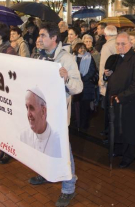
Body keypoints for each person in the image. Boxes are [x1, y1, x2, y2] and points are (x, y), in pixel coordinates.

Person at [28, 22, 83, 207]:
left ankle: (68, 188)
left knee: (63, 150)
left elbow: (78, 87)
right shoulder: (39, 55)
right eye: (39, 35)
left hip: (57, 113)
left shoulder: (66, 58)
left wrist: (66, 77)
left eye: (43, 35)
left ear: (53, 38)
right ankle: (46, 173)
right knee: (42, 143)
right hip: (42, 111)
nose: (40, 38)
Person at [104, 33, 135, 168]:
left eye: (123, 44)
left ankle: (129, 156)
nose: (120, 46)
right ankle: (120, 150)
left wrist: (122, 96)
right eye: (117, 44)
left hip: (128, 102)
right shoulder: (116, 59)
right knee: (118, 127)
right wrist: (107, 75)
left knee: (129, 129)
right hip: (115, 101)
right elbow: (112, 77)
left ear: (130, 44)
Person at [0, 23, 16, 164]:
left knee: (6, 124)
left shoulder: (9, 50)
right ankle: (2, 148)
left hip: (5, 92)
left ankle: (8, 151)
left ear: (1, 34)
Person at [19, 88, 61, 158]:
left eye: (32, 108)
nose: (28, 114)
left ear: (43, 111)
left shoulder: (58, 140)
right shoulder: (23, 136)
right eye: (27, 108)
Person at [72, 43, 97, 131]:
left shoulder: (89, 57)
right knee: (77, 106)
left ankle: (84, 124)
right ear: (76, 49)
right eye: (80, 48)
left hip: (87, 86)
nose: (82, 49)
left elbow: (92, 70)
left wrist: (83, 79)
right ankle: (77, 123)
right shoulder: (73, 58)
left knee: (85, 106)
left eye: (83, 48)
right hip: (76, 85)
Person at [98, 25, 117, 135]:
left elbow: (104, 65)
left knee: (107, 108)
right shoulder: (119, 44)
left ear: (106, 35)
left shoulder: (106, 46)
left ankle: (107, 131)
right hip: (116, 80)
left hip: (108, 82)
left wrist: (102, 80)